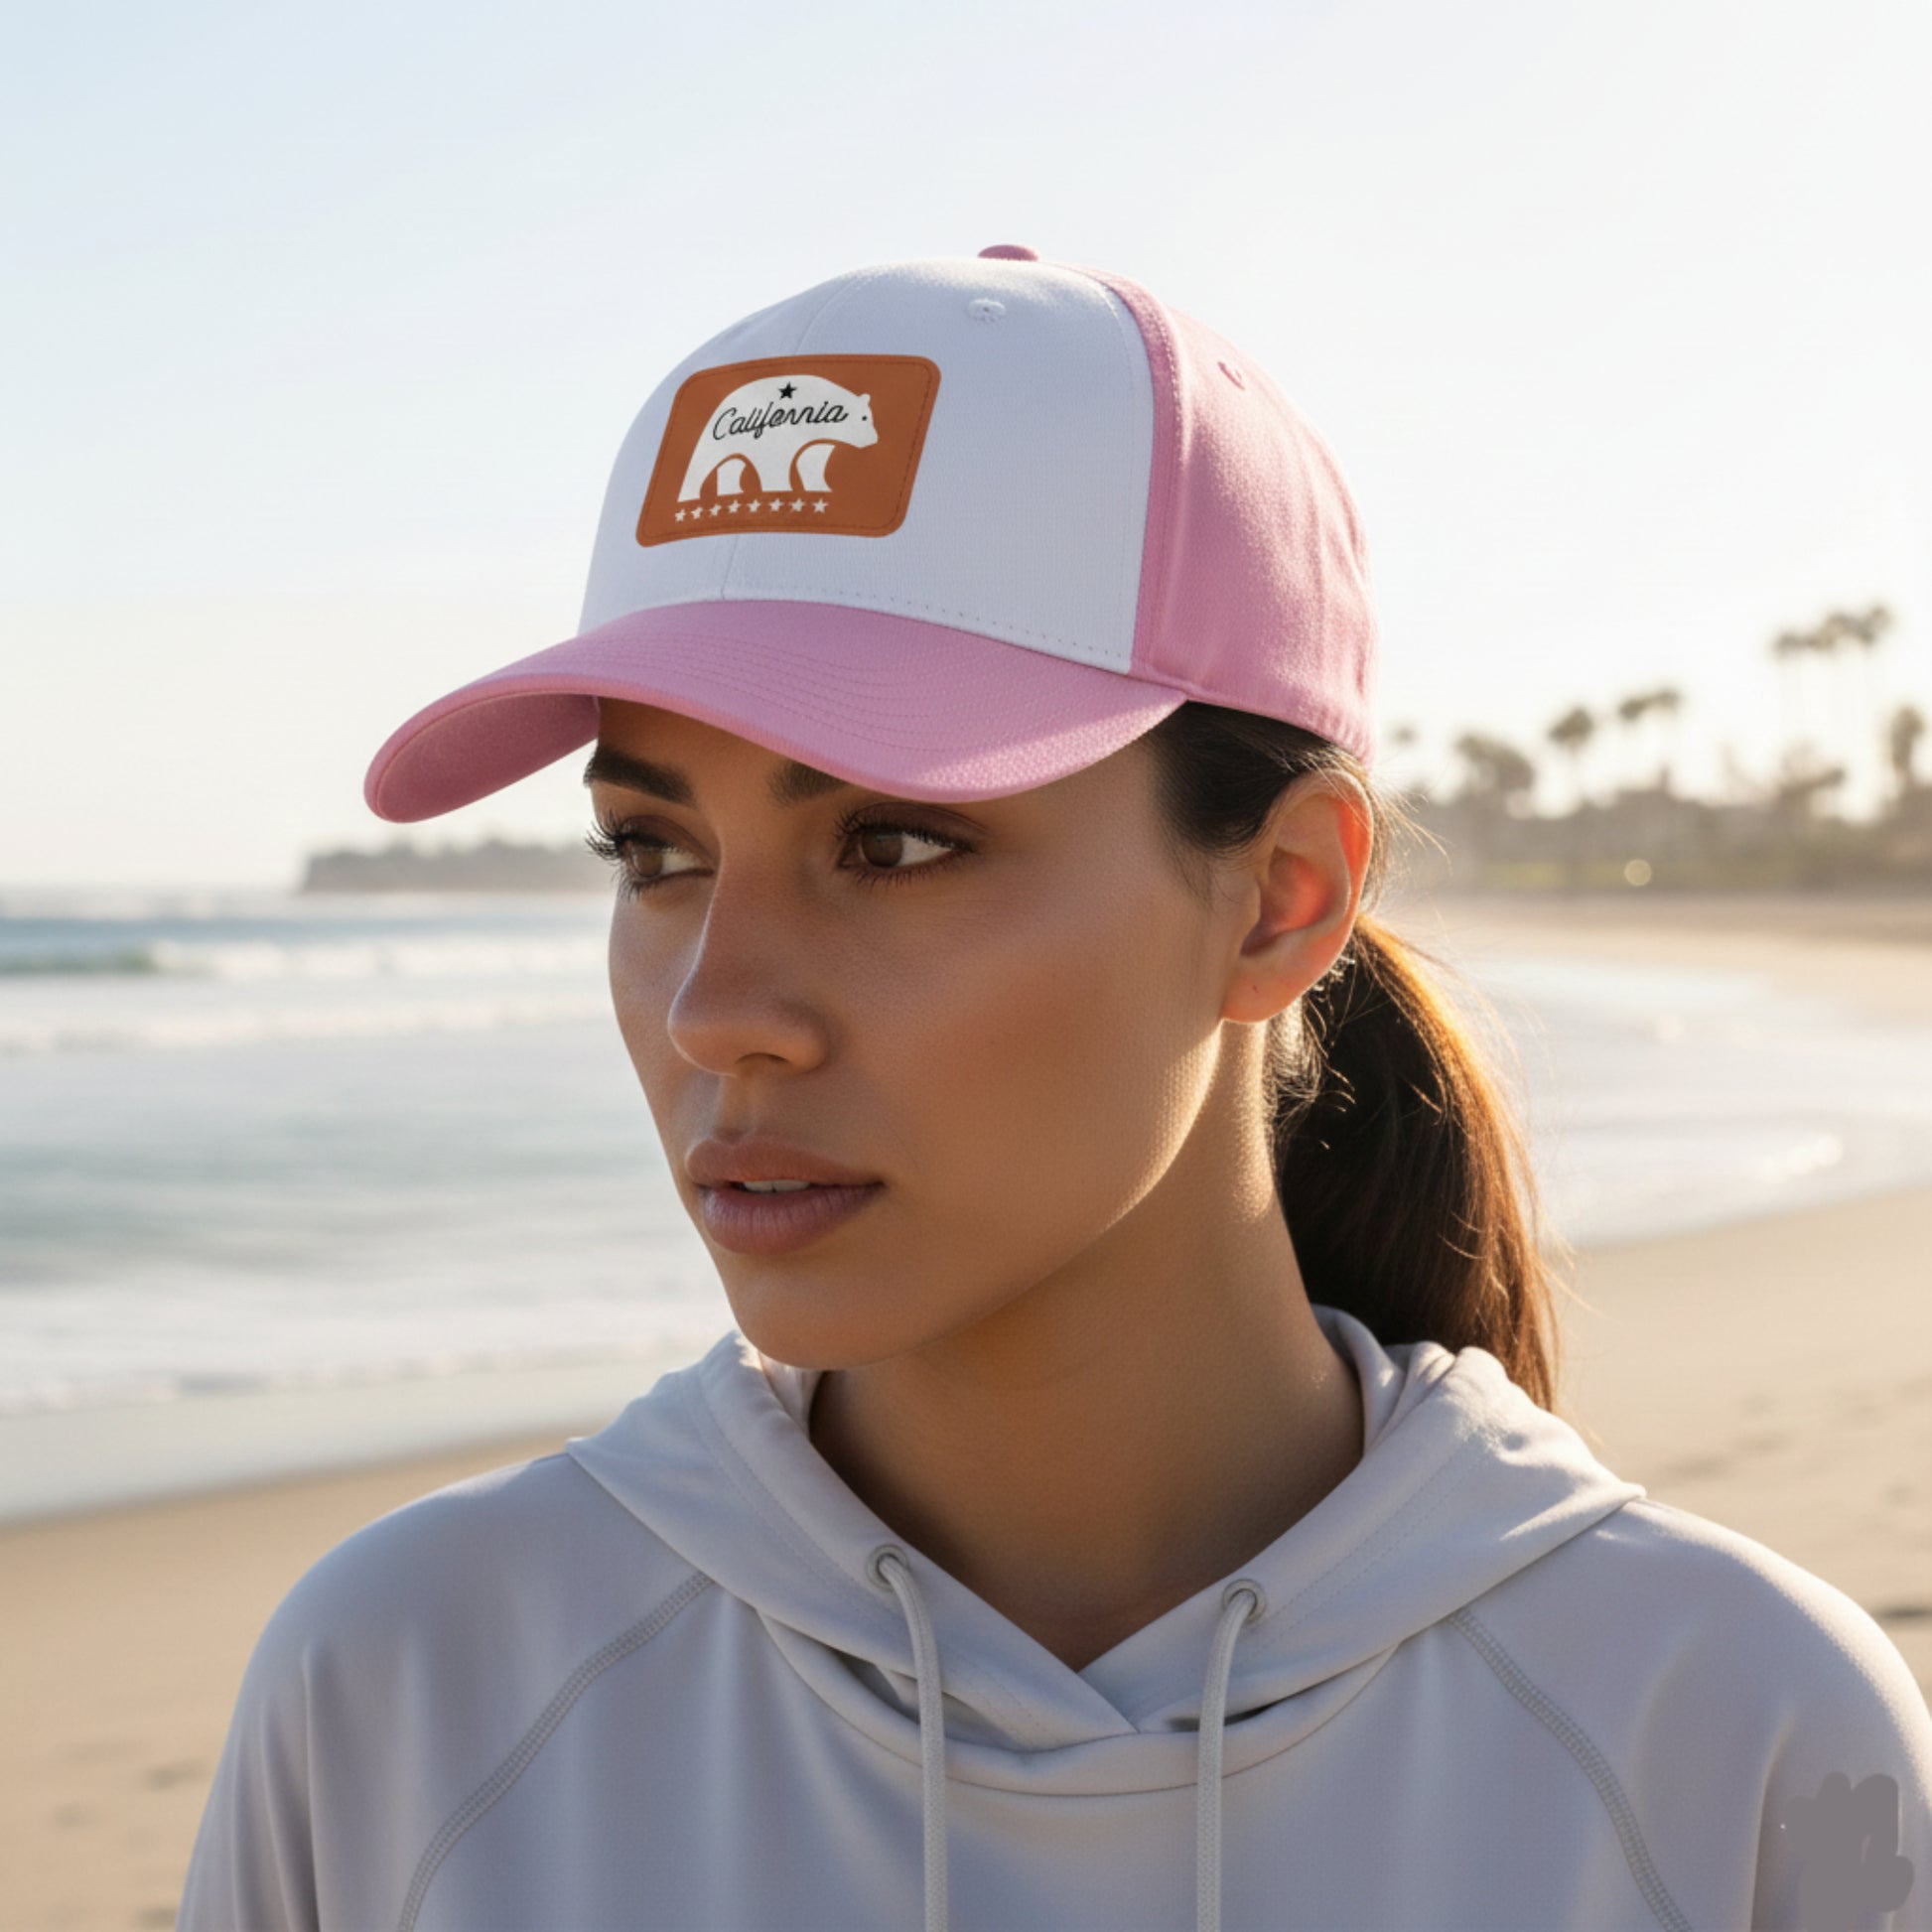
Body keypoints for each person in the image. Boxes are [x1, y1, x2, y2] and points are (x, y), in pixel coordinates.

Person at [178, 244, 1930, 1932]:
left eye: (892, 843)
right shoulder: (409, 1692)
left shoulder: (1734, 1739)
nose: (717, 1013)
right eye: (653, 851)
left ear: (1280, 896)